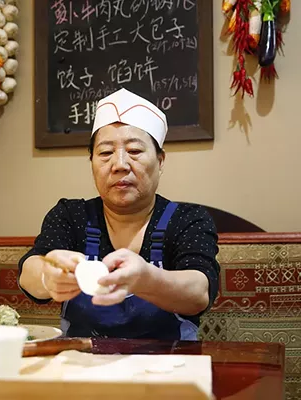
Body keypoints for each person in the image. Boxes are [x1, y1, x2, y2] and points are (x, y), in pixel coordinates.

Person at [18, 88, 220, 340]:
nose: (120, 164)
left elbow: (199, 293)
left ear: (161, 160)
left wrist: (147, 279)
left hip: (169, 369)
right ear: (91, 160)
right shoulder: (71, 215)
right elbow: (29, 273)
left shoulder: (187, 219)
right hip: (83, 367)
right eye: (105, 153)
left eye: (135, 151)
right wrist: (48, 275)